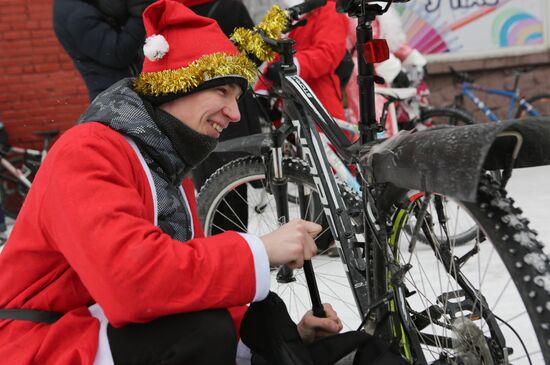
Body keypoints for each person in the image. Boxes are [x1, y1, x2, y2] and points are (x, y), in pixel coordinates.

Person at [0, 1, 342, 364]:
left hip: (98, 329)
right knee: (204, 332)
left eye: (238, 97)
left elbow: (183, 289)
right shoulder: (88, 150)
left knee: (243, 322)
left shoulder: (166, 165)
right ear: (176, 86)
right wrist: (259, 249)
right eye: (223, 91)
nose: (235, 113)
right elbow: (132, 284)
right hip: (39, 343)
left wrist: (282, 337)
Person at [52, 0, 156, 101]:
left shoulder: (79, 5)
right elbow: (118, 54)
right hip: (116, 98)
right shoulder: (76, 15)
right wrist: (139, 16)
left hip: (122, 90)